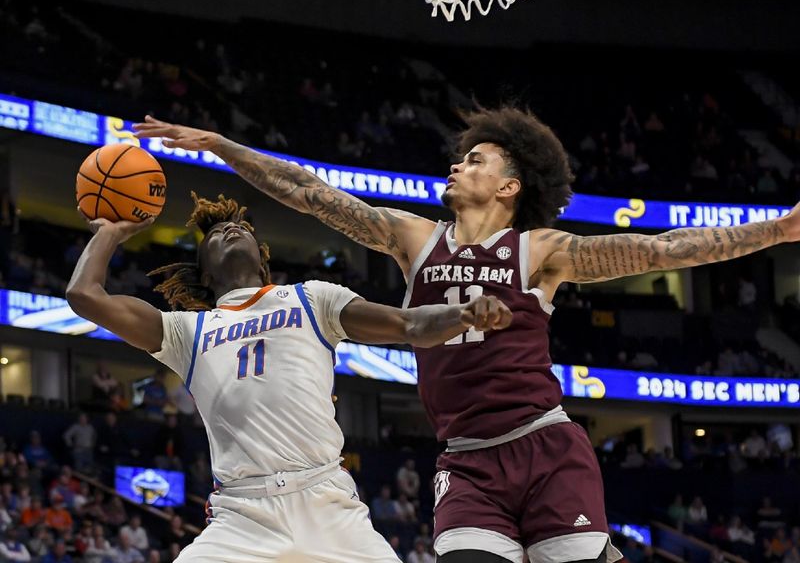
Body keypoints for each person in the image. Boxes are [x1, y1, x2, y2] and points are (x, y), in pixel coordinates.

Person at [135, 110, 800, 563]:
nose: (459, 164)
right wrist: (222, 146)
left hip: (544, 447)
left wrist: (777, 230)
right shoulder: (413, 238)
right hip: (466, 461)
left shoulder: (541, 251)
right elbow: (310, 193)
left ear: (509, 185)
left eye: (475, 158)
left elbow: (662, 251)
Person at [66, 192, 511, 563]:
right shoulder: (186, 331)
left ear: (263, 263)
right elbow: (84, 295)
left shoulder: (312, 299)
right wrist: (108, 234)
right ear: (204, 271)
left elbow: (409, 325)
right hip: (242, 515)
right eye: (216, 233)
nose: (229, 229)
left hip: (327, 502)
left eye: (241, 228)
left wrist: (464, 314)